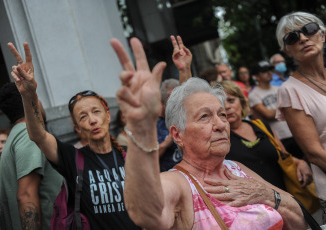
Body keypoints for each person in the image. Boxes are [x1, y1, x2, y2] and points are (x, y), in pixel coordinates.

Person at [110, 37, 306, 229]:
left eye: (222, 115)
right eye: (204, 117)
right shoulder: (178, 183)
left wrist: (268, 195)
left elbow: (299, 218)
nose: (220, 124)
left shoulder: (237, 169)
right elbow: (145, 213)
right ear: (177, 135)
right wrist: (142, 130)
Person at [7, 42, 140, 229]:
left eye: (96, 111)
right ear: (77, 127)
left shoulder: (130, 155)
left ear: (108, 115)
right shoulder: (74, 158)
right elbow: (39, 135)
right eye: (83, 117)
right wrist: (29, 95)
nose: (92, 120)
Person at [275, 11, 326, 224]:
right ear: (287, 50)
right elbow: (314, 153)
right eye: (292, 37)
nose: (302, 38)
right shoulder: (290, 91)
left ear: (321, 34)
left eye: (308, 30)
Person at [0, 82, 63, 230]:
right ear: (30, 100)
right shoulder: (29, 135)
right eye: (37, 96)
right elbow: (26, 195)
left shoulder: (16, 134)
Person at [221, 80, 312, 191]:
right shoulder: (219, 138)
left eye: (231, 100)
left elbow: (283, 155)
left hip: (285, 195)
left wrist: (300, 163)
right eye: (221, 103)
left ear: (242, 102)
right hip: (253, 205)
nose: (226, 106)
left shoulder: (261, 125)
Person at [249, 60, 305, 159]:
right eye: (264, 71)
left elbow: (294, 108)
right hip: (278, 138)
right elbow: (268, 115)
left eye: (270, 70)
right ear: (256, 76)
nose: (269, 73)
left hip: (294, 132)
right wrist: (286, 108)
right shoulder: (253, 95)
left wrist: (282, 109)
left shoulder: (279, 88)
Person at [157, 79, 182, 171]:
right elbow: (148, 160)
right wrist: (168, 140)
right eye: (171, 100)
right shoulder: (153, 125)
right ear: (163, 102)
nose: (175, 104)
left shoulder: (183, 118)